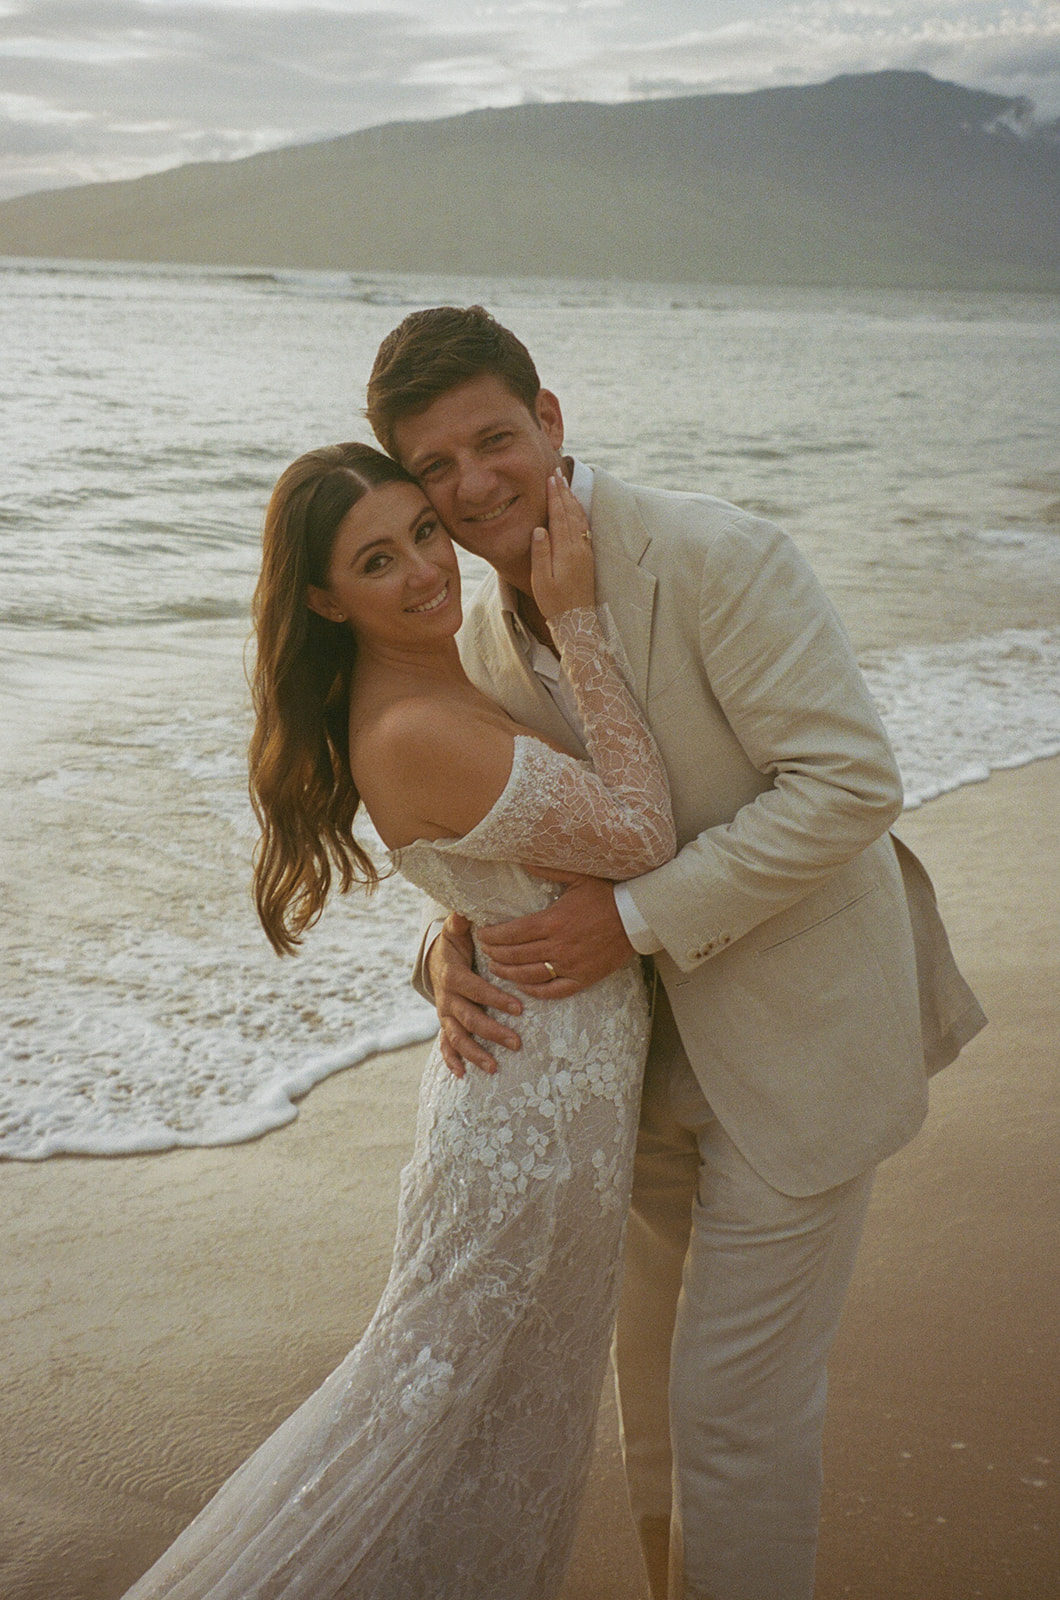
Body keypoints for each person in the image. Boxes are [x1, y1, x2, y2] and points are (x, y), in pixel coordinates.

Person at [364, 304, 987, 1600]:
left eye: (494, 439)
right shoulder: (476, 640)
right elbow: (517, 830)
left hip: (800, 1043)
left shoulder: (714, 554)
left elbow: (851, 782)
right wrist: (445, 945)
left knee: (735, 1416)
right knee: (646, 1399)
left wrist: (637, 919)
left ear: (548, 419)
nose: (475, 483)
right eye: (436, 468)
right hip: (625, 1074)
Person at [121, 442, 676, 1599]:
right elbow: (640, 840)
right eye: (380, 559)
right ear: (323, 597)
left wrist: (441, 938)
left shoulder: (431, 674)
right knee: (426, 1427)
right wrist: (577, 619)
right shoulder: (413, 718)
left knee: (487, 1435)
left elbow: (483, 866)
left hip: (537, 1088)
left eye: (425, 530)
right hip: (527, 1121)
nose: (428, 569)